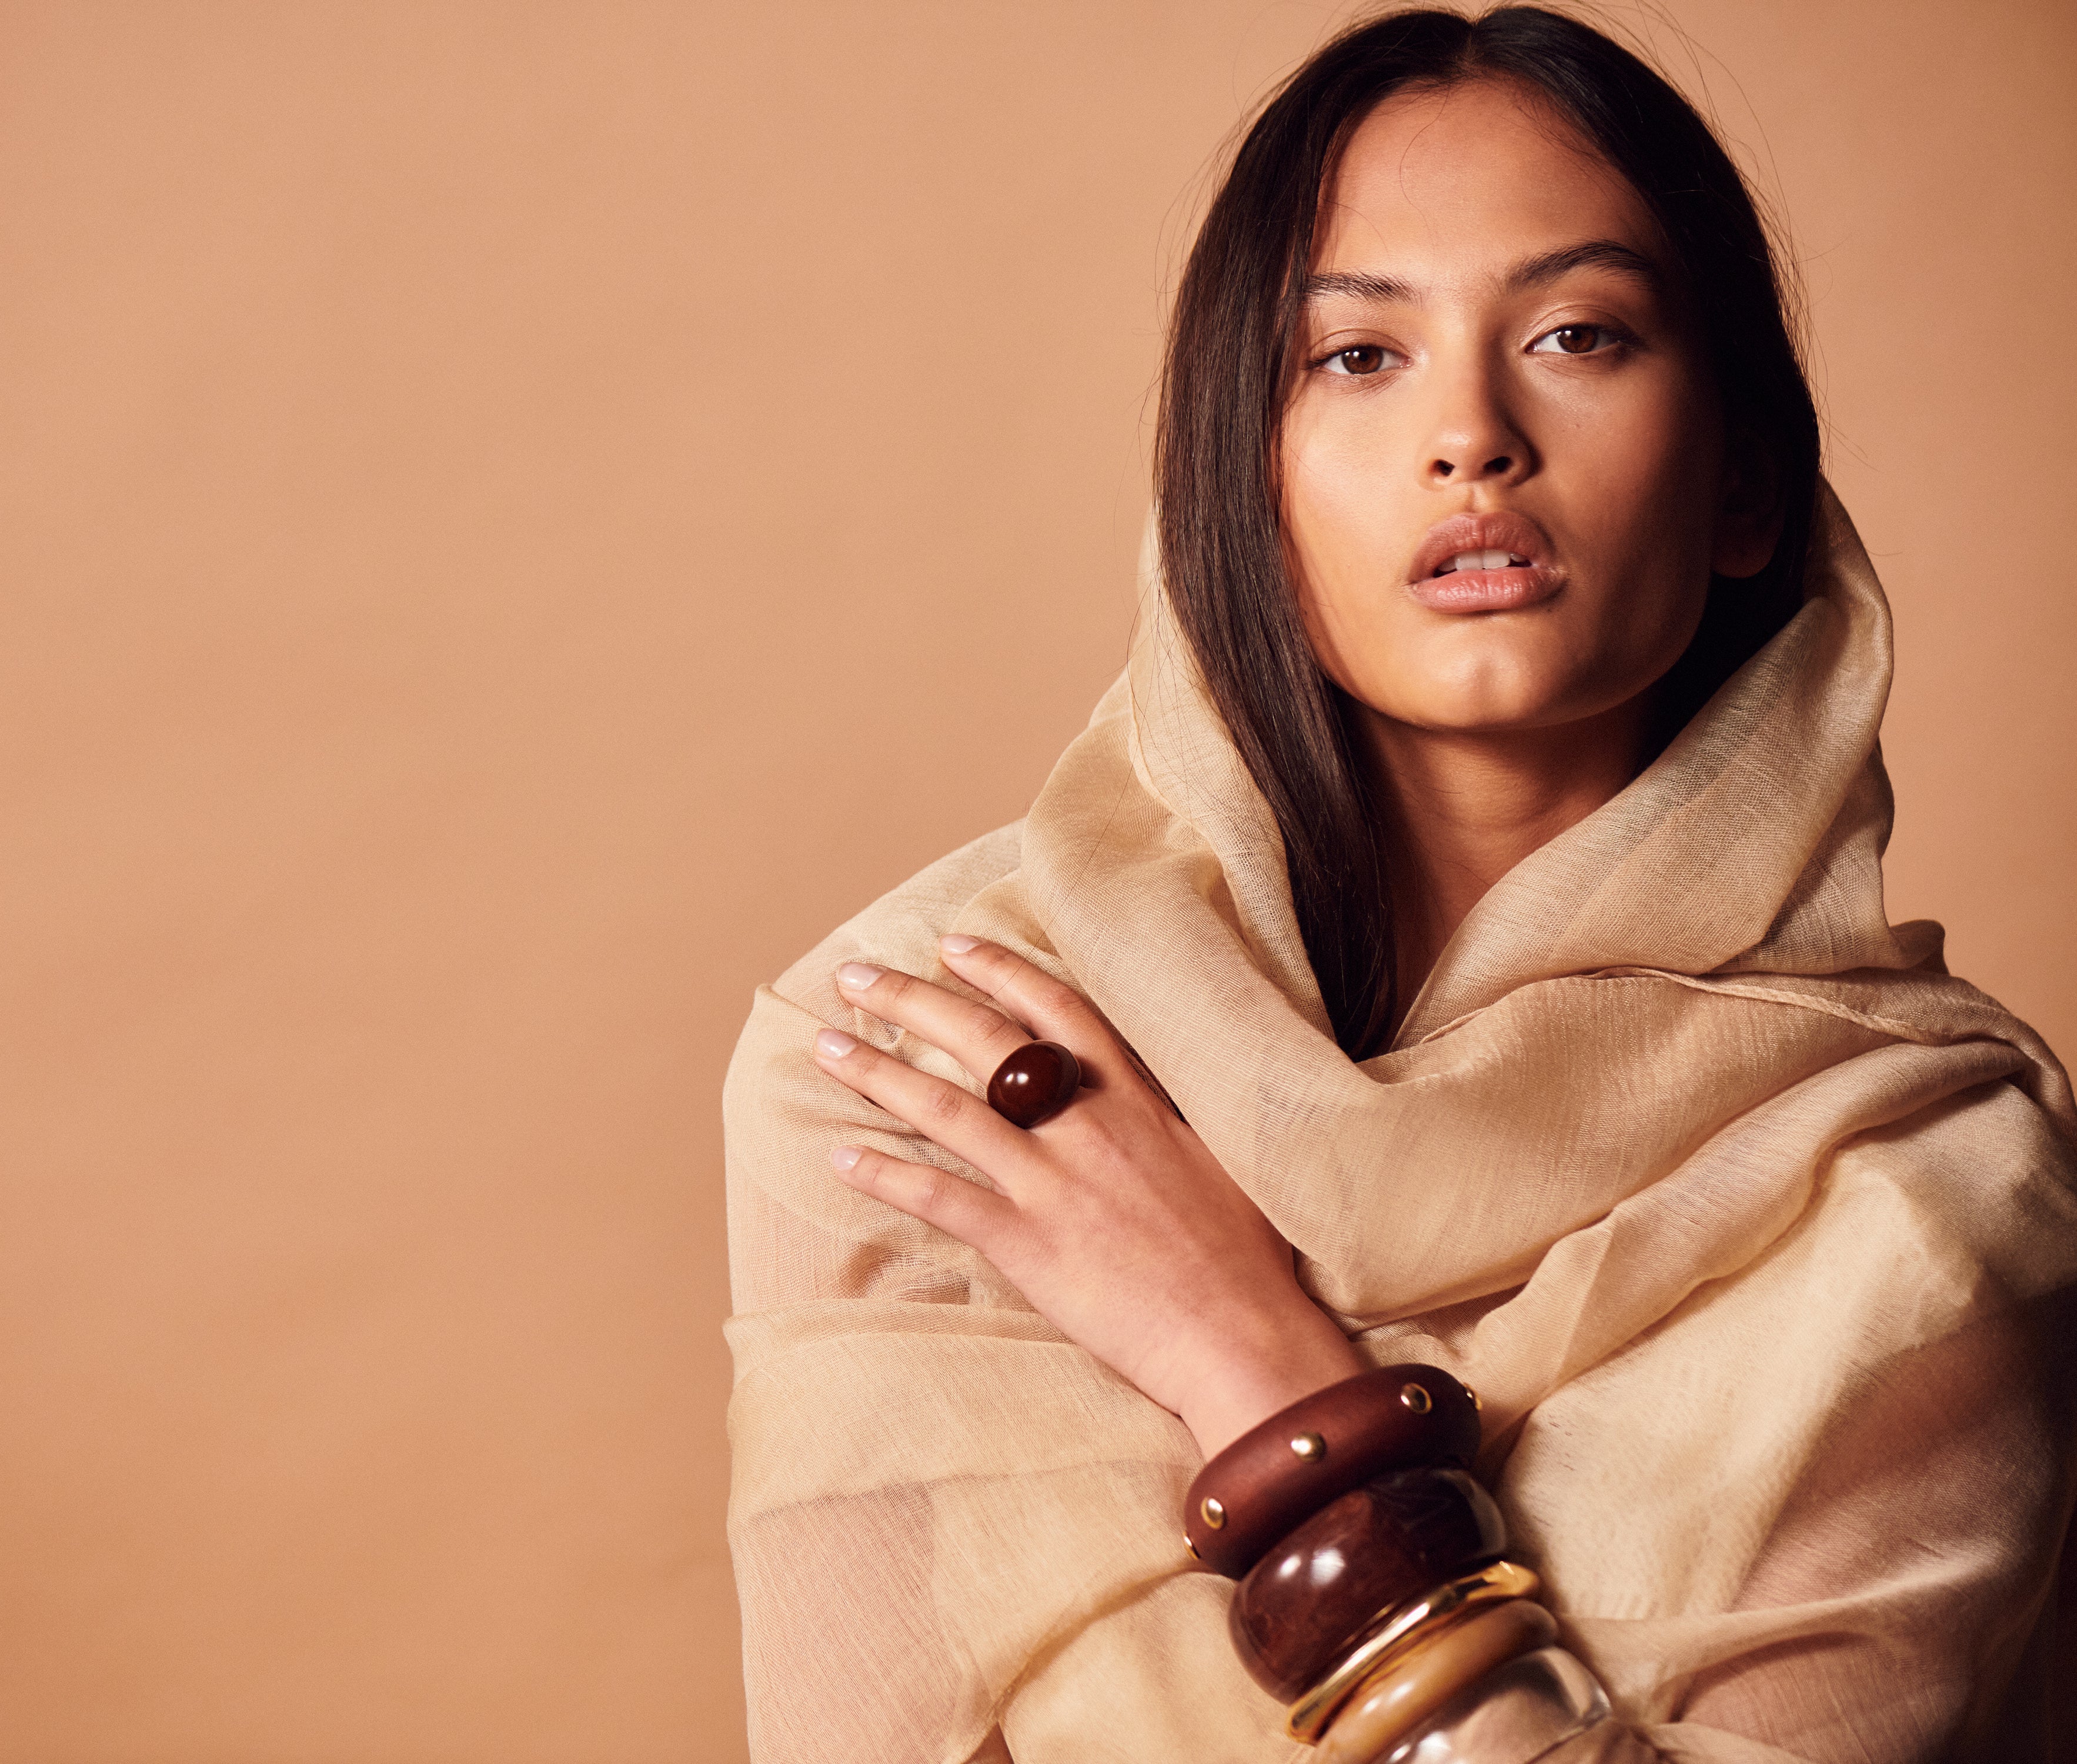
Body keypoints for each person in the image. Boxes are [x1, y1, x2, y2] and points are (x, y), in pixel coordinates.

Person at [719, 8, 2077, 1762]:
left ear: (1744, 480)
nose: (1471, 436)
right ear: (1244, 486)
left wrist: (1259, 1376)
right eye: (1357, 356)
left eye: (1578, 336)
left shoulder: (1926, 1189)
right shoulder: (925, 1060)